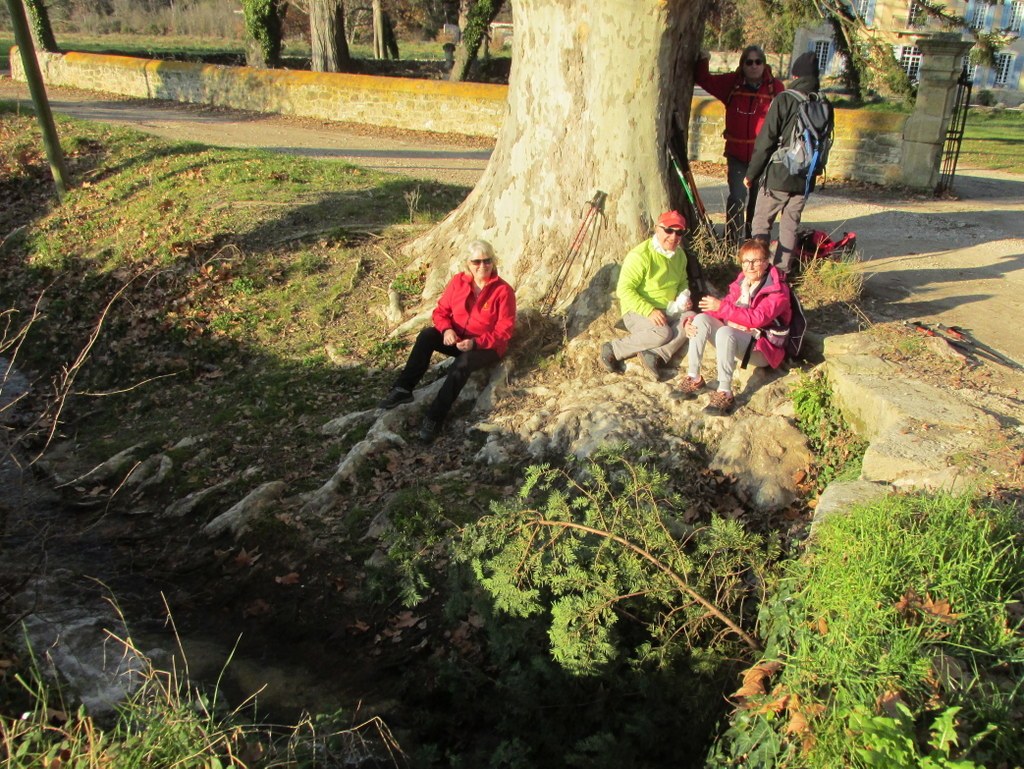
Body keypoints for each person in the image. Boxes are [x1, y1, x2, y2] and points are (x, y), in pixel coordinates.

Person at [378, 240, 516, 443]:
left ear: (494, 262)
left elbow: (504, 331)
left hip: (487, 347)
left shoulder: (503, 291)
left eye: (487, 261)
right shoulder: (458, 282)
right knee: (427, 336)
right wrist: (447, 330)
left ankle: (435, 416)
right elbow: (441, 312)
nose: (482, 266)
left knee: (463, 363)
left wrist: (475, 343)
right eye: (476, 262)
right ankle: (403, 389)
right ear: (467, 264)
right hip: (458, 339)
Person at [677, 239, 792, 415]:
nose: (750, 266)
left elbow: (758, 318)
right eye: (745, 261)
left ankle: (725, 391)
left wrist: (721, 307)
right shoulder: (742, 283)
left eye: (756, 261)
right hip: (738, 339)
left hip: (762, 350)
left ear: (767, 262)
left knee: (724, 331)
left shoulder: (777, 290)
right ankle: (694, 377)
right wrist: (690, 321)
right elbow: (724, 310)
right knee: (700, 319)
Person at [695, 45, 785, 243]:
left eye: (758, 62)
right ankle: (731, 240)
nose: (754, 66)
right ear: (742, 65)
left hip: (762, 158)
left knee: (757, 202)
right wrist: (703, 58)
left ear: (764, 64)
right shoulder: (732, 84)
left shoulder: (775, 88)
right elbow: (704, 80)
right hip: (737, 156)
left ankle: (752, 243)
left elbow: (784, 118)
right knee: (736, 198)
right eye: (749, 62)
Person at [744, 51, 821, 277]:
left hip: (779, 173)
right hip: (805, 178)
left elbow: (766, 139)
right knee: (790, 226)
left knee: (761, 223)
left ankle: (757, 272)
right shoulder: (822, 102)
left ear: (795, 74)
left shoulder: (785, 98)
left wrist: (752, 173)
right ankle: (781, 275)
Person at [599, 210, 696, 382]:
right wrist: (649, 310)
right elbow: (624, 290)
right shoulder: (641, 255)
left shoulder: (680, 255)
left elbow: (683, 281)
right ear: (657, 229)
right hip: (638, 310)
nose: (673, 237)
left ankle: (655, 354)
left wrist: (683, 297)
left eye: (679, 232)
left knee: (692, 319)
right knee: (662, 332)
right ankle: (613, 349)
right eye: (668, 230)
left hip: (667, 308)